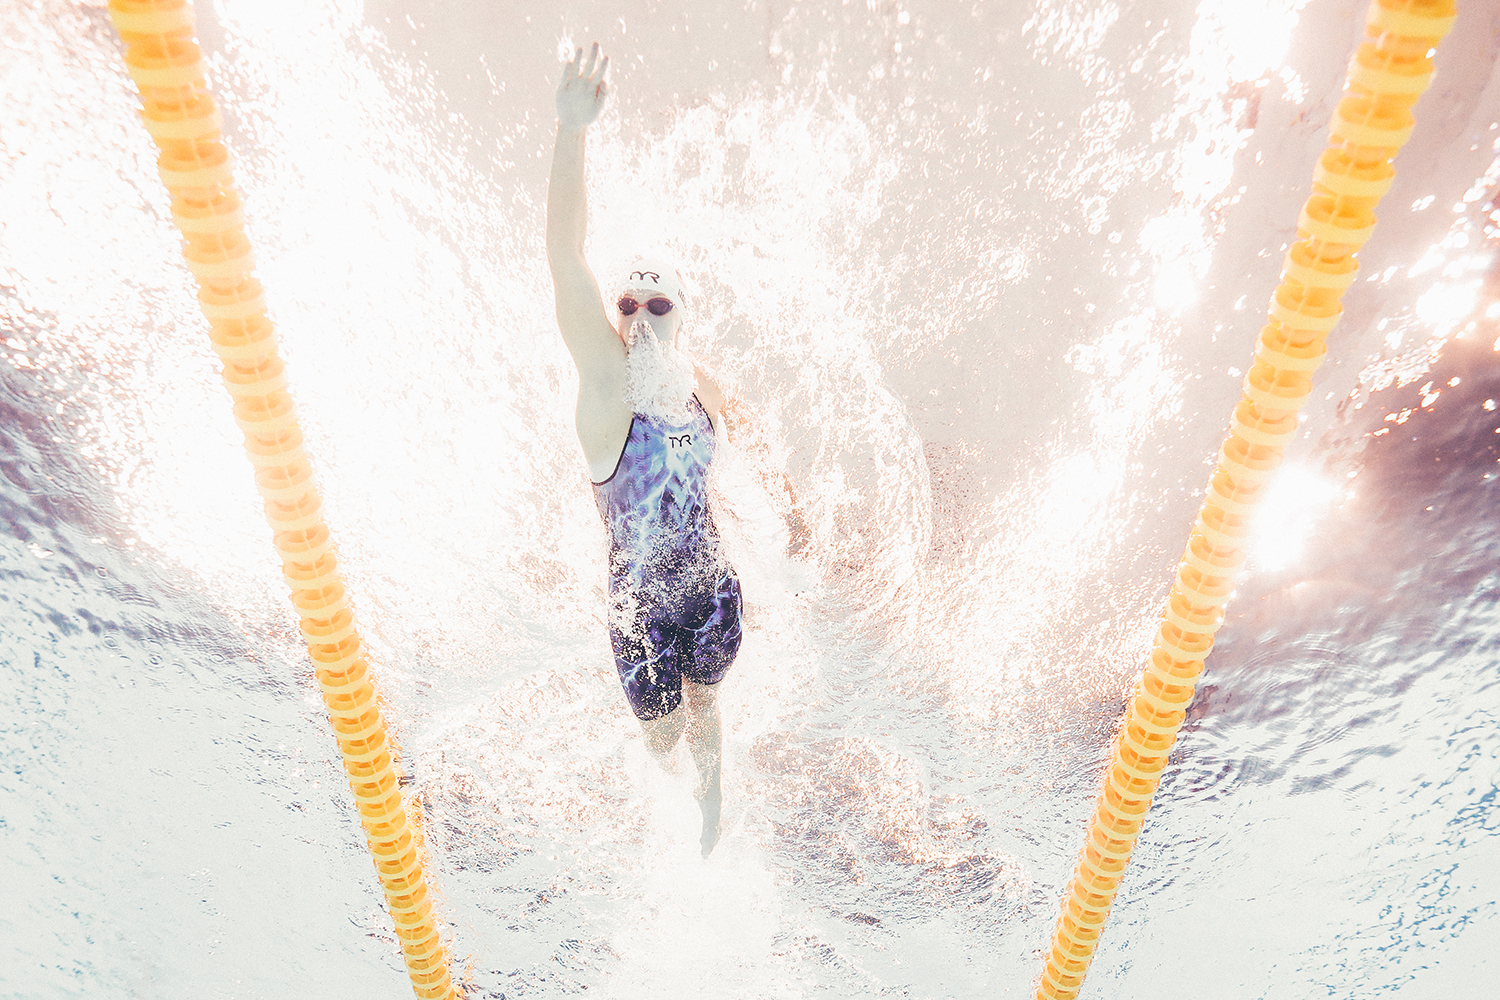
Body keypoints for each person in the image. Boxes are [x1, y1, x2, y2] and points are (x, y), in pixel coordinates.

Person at [546, 42, 741, 858]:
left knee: (709, 708)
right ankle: (682, 791)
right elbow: (565, 264)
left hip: (715, 593)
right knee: (664, 743)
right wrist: (570, 132)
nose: (637, 316)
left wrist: (794, 515)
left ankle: (716, 789)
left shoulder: (702, 385)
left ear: (680, 316)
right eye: (627, 303)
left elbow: (747, 433)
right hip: (638, 619)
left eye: (657, 303)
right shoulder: (607, 399)